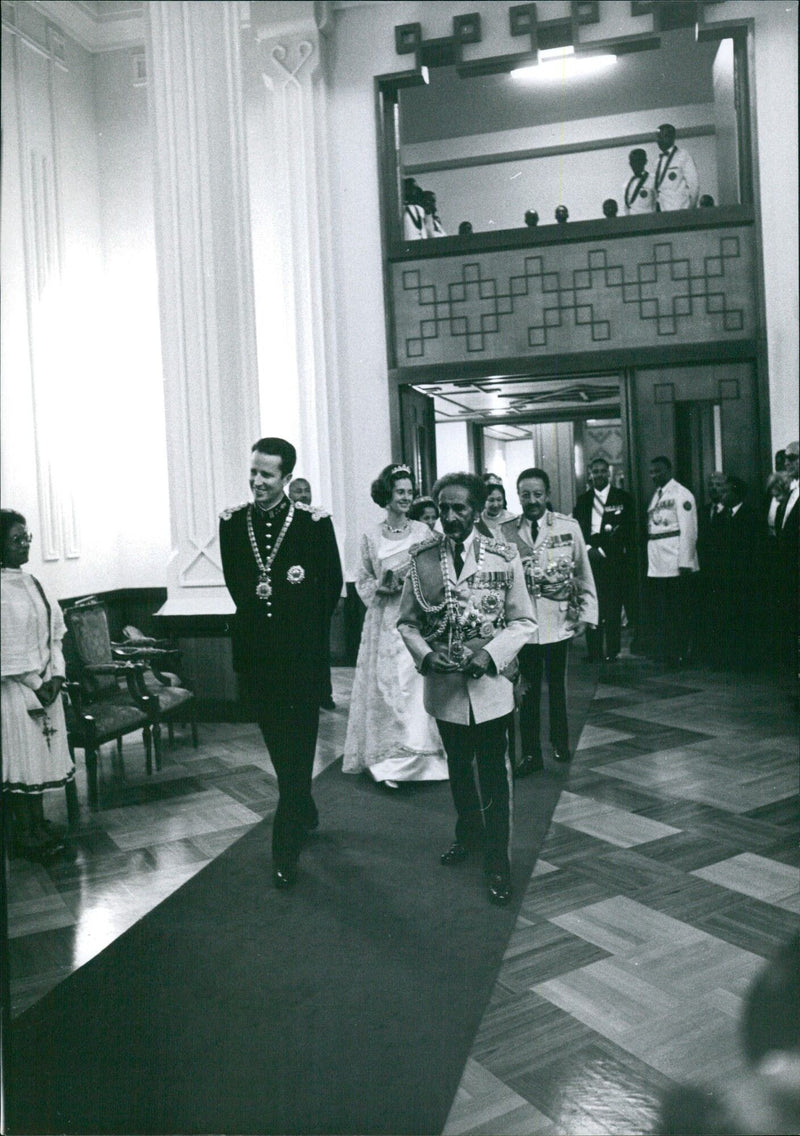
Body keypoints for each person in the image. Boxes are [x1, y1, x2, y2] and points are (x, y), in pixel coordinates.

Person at [397, 473, 536, 906]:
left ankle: (498, 859)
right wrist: (424, 655)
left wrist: (490, 655)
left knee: (495, 773)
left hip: (491, 687)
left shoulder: (503, 555)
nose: (452, 517)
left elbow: (523, 622)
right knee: (459, 768)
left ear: (477, 510)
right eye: (445, 508)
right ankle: (469, 834)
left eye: (461, 508)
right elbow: (406, 621)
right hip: (445, 690)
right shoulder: (420, 559)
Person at [219, 437, 342, 890]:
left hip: (302, 656)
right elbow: (238, 586)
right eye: (253, 472)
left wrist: (301, 635)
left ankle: (285, 838)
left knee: (301, 738)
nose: (257, 482)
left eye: (267, 474)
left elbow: (329, 587)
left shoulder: (313, 523)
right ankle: (302, 800)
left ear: (286, 478)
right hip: (258, 656)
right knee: (276, 740)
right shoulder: (233, 523)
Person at [342, 464, 447, 788]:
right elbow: (362, 577)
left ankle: (427, 760)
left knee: (417, 688)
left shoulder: (423, 533)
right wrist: (380, 588)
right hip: (383, 621)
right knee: (387, 691)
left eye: (409, 491)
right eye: (400, 491)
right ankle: (390, 764)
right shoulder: (371, 536)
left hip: (416, 619)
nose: (406, 497)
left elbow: (436, 575)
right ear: (386, 495)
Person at [501, 469, 597, 774]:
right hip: (522, 627)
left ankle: (560, 743)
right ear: (518, 496)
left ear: (548, 494)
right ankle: (530, 755)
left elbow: (583, 573)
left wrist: (587, 614)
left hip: (557, 623)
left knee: (557, 688)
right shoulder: (506, 532)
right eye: (525, 494)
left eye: (537, 494)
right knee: (526, 691)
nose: (532, 500)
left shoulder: (567, 527)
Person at [2, 509, 75, 861]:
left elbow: (55, 633)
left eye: (26, 537)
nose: (25, 543)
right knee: (23, 759)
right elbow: (6, 650)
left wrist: (56, 676)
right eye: (17, 539)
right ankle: (23, 832)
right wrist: (34, 682)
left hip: (47, 688)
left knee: (42, 759)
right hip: (17, 692)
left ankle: (39, 822)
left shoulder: (33, 582)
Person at [573, 458, 635, 663]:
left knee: (613, 606)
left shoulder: (622, 498)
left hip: (613, 560)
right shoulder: (583, 500)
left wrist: (603, 550)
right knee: (592, 604)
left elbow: (627, 530)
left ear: (608, 474)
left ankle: (613, 650)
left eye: (602, 471)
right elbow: (578, 528)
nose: (599, 475)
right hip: (589, 558)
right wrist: (589, 549)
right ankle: (594, 651)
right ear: (590, 474)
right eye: (595, 472)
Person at [645, 456, 699, 667]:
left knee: (679, 612)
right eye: (651, 472)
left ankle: (681, 652)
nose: (654, 476)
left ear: (668, 470)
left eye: (658, 471)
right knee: (664, 611)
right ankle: (668, 651)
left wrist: (685, 561)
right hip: (659, 562)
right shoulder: (656, 496)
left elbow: (689, 530)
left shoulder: (681, 494)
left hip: (676, 562)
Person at [654, 123, 699, 211]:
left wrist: (691, 209)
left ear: (672, 137)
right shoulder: (657, 161)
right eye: (658, 137)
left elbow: (694, 184)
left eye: (662, 136)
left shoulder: (683, 155)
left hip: (680, 209)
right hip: (663, 210)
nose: (659, 140)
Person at [623, 148, 656, 215]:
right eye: (633, 161)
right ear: (630, 163)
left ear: (645, 161)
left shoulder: (654, 180)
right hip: (632, 222)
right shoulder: (626, 185)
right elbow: (627, 207)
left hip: (649, 221)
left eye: (638, 161)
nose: (635, 164)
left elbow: (660, 202)